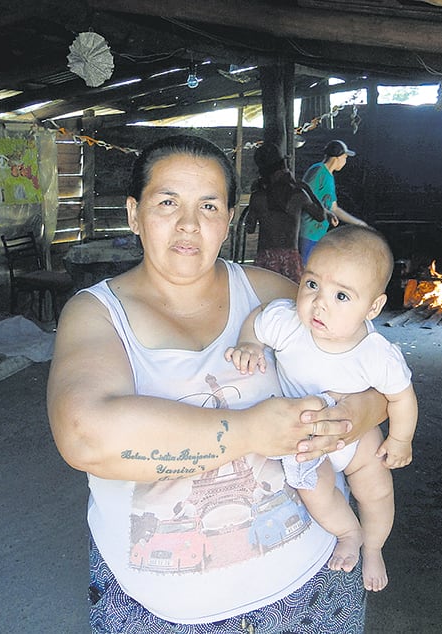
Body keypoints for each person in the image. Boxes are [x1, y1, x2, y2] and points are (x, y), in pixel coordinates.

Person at [47, 134, 390, 633]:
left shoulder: (270, 293)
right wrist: (251, 432)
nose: (189, 223)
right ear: (134, 214)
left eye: (208, 206)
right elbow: (85, 436)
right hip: (162, 615)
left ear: (228, 220)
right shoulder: (98, 314)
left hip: (317, 589)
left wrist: (357, 415)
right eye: (168, 202)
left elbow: (380, 375)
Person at [225, 224, 417, 593]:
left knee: (377, 492)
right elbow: (259, 320)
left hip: (357, 440)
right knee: (315, 491)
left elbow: (402, 398)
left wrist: (400, 440)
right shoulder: (288, 324)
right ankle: (349, 532)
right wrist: (249, 343)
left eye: (342, 296)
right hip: (308, 443)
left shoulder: (376, 353)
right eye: (312, 284)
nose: (320, 303)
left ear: (373, 307)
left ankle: (374, 547)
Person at [245, 142, 326, 282]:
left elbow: (250, 228)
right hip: (290, 259)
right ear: (283, 167)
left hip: (266, 258)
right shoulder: (298, 195)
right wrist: (306, 188)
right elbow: (320, 216)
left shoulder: (258, 197)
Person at [299, 139, 369, 264]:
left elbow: (334, 208)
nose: (345, 161)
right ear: (338, 157)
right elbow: (304, 196)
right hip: (306, 232)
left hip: (317, 235)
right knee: (303, 269)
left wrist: (358, 223)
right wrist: (326, 212)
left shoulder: (329, 176)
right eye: (345, 157)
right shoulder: (318, 170)